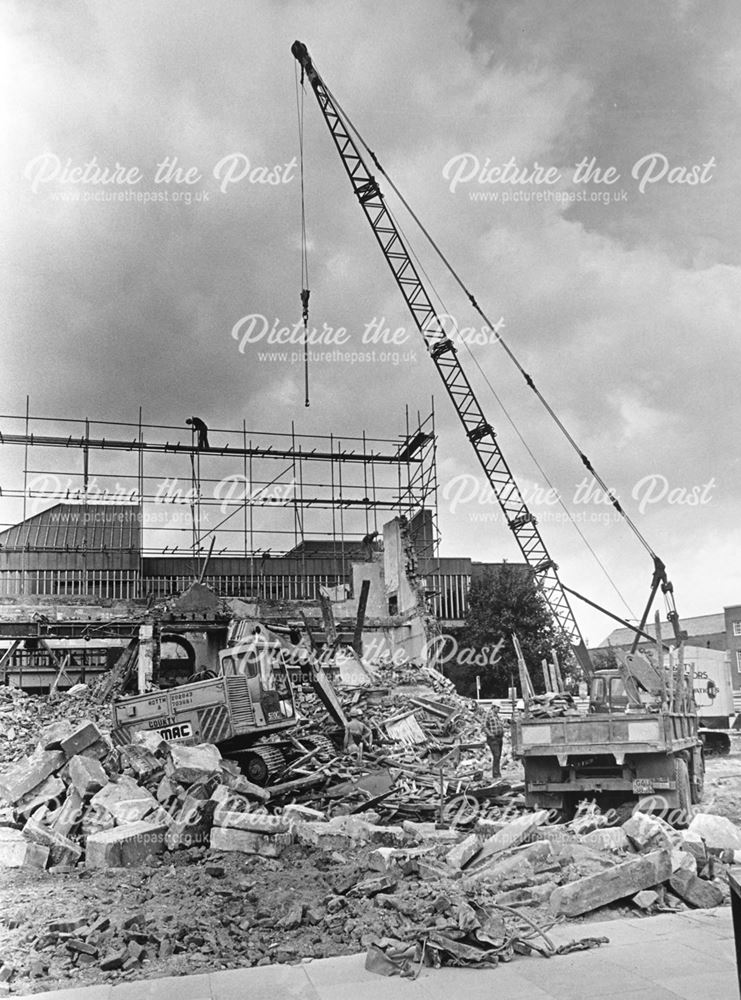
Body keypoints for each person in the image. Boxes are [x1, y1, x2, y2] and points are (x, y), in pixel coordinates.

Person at [484, 703, 505, 779]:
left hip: (499, 737)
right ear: (494, 707)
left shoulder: (497, 715)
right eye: (498, 708)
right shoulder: (488, 714)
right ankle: (496, 774)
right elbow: (484, 726)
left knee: (498, 756)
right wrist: (490, 734)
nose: (499, 709)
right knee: (496, 755)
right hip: (493, 738)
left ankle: (497, 773)